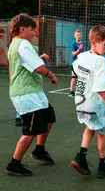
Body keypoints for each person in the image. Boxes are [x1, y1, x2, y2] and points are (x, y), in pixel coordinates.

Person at [6, 13, 57, 176]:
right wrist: (51, 74)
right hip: (26, 93)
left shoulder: (16, 44)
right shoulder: (23, 44)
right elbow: (37, 68)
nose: (34, 33)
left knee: (49, 118)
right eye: (31, 30)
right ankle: (14, 164)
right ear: (22, 29)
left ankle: (39, 150)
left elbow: (26, 63)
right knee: (31, 130)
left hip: (33, 92)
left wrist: (39, 58)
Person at [70, 25, 105, 178]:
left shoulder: (83, 56)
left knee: (90, 127)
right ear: (94, 43)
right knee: (102, 132)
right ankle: (102, 165)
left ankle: (81, 156)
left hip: (81, 102)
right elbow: (101, 89)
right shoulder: (101, 62)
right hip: (95, 105)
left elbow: (75, 69)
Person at [69, 29, 84, 97]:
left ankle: (80, 91)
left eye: (80, 35)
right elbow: (73, 54)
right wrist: (79, 49)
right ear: (75, 36)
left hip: (82, 63)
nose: (78, 36)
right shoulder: (73, 43)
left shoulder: (83, 43)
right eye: (77, 35)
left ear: (81, 36)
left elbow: (83, 54)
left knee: (82, 77)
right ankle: (71, 91)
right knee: (74, 77)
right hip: (75, 63)